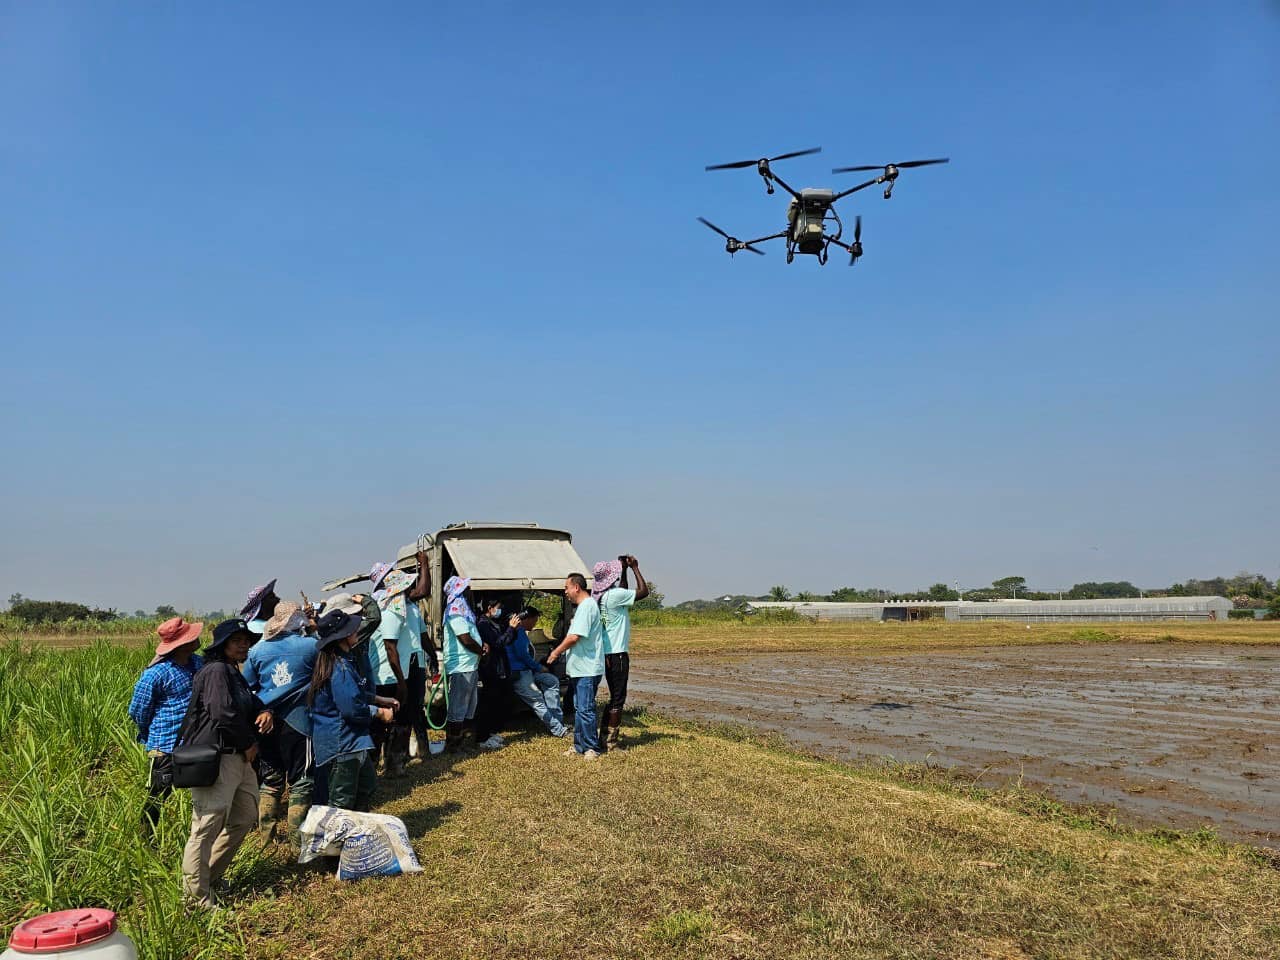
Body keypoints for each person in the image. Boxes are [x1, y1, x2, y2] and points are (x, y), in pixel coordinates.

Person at [179, 618, 272, 907]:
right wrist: (247, 744)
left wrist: (266, 710)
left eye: (246, 639)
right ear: (222, 645)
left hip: (239, 757)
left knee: (244, 817)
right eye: (236, 640)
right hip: (220, 757)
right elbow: (222, 712)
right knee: (206, 826)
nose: (243, 644)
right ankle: (195, 898)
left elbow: (250, 703)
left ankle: (209, 877)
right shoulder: (217, 670)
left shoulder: (233, 672)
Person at [242, 601, 317, 844]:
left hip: (265, 724)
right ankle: (298, 841)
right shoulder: (310, 647)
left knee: (271, 782)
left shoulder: (257, 651)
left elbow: (247, 688)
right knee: (301, 782)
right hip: (299, 722)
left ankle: (266, 839)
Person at [308, 610, 397, 812]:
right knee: (341, 803)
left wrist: (377, 698)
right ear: (343, 636)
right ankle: (336, 841)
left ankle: (355, 834)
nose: (357, 630)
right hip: (343, 744)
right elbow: (352, 709)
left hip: (351, 742)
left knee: (367, 787)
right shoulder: (340, 667)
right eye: (352, 628)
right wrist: (379, 712)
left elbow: (353, 694)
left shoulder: (340, 661)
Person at [128, 617, 206, 830]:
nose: (198, 637)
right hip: (165, 744)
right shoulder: (155, 674)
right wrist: (150, 733)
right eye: (192, 636)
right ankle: (147, 838)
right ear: (182, 644)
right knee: (158, 795)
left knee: (202, 793)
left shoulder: (199, 663)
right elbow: (138, 711)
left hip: (197, 741)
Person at [367, 551, 431, 774]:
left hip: (403, 668)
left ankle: (394, 764)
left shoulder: (404, 604)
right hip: (389, 673)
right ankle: (377, 766)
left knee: (403, 716)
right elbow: (389, 647)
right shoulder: (389, 607)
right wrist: (401, 681)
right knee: (384, 721)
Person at [592, 555, 649, 751]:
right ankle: (610, 742)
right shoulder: (615, 596)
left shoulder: (601, 596)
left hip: (608, 653)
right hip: (618, 654)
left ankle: (604, 736)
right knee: (618, 698)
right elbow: (643, 592)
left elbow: (623, 589)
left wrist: (623, 570)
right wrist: (634, 568)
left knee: (614, 696)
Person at [546, 573, 604, 759]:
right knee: (580, 709)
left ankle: (591, 748)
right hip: (581, 668)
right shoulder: (583, 607)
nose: (565, 592)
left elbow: (573, 637)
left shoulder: (587, 606)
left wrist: (556, 652)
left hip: (587, 668)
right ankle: (579, 746)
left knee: (585, 709)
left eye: (566, 588)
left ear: (576, 587)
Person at [505, 605, 567, 737]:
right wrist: (538, 667)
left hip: (528, 671)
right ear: (527, 619)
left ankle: (557, 720)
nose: (535, 623)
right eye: (534, 620)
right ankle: (558, 729)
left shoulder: (521, 631)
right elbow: (523, 655)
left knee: (552, 681)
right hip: (520, 673)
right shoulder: (517, 632)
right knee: (537, 699)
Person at [441, 576, 487, 754]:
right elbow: (465, 639)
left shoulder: (463, 610)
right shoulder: (455, 611)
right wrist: (480, 651)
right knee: (458, 708)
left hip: (470, 665)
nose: (469, 590)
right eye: (466, 587)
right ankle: (453, 746)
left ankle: (463, 742)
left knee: (469, 706)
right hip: (461, 666)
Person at [473, 597, 512, 751]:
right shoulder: (483, 624)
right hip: (489, 668)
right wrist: (511, 628)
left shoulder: (494, 623)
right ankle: (482, 738)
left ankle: (489, 733)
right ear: (490, 608)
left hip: (498, 668)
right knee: (487, 703)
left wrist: (512, 629)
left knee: (495, 702)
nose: (500, 610)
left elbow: (506, 641)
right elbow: (498, 643)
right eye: (498, 607)